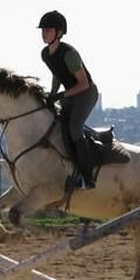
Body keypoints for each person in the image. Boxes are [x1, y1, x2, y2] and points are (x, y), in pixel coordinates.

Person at [37, 10, 99, 189]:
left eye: (48, 30)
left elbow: (84, 84)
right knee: (58, 126)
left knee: (74, 128)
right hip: (71, 94)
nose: (44, 33)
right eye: (43, 30)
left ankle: (87, 176)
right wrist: (52, 94)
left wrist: (61, 95)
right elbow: (57, 75)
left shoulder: (69, 54)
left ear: (59, 33)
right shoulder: (45, 54)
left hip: (86, 93)